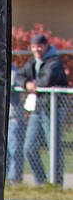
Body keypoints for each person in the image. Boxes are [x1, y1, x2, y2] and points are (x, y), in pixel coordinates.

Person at [8, 32, 68, 185]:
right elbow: (20, 76)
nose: (36, 50)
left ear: (46, 46)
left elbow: (46, 80)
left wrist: (34, 83)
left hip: (53, 109)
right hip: (38, 109)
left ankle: (56, 183)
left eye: (39, 46)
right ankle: (41, 182)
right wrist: (27, 84)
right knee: (29, 148)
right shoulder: (33, 61)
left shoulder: (54, 61)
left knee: (53, 146)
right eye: (34, 47)